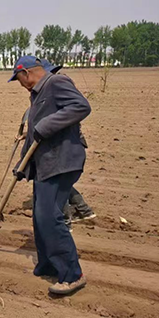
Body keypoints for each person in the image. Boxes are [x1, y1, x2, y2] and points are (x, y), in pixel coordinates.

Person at [9, 55, 91, 296]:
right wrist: (23, 164)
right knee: (40, 215)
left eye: (19, 79)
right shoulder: (38, 92)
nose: (20, 83)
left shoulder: (56, 82)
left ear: (26, 73)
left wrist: (46, 125)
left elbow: (81, 106)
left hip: (62, 161)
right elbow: (36, 132)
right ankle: (48, 265)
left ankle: (72, 275)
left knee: (49, 217)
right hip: (47, 162)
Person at [39, 59, 97, 225]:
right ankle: (84, 210)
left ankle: (64, 221)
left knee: (56, 183)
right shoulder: (52, 89)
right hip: (65, 144)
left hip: (63, 146)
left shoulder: (58, 87)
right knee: (62, 183)